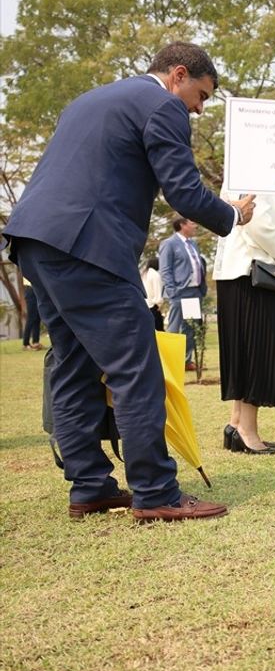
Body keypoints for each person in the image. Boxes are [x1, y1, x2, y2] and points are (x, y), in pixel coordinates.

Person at [3, 41, 255, 521]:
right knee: (137, 368)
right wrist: (232, 214)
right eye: (200, 96)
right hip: (88, 247)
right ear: (178, 74)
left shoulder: (91, 99)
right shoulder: (163, 104)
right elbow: (183, 190)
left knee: (74, 367)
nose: (199, 110)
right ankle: (156, 491)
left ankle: (91, 486)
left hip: (35, 240)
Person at [213, 194, 275, 455]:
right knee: (255, 354)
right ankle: (247, 431)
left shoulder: (259, 176)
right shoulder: (252, 172)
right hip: (251, 275)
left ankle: (237, 423)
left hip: (245, 275)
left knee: (246, 353)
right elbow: (258, 224)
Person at [158, 216, 207, 370]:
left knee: (190, 328)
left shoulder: (193, 244)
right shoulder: (169, 244)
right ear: (182, 225)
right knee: (174, 328)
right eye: (193, 223)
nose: (196, 226)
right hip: (179, 293)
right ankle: (170, 363)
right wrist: (172, 291)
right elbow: (165, 270)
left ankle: (186, 361)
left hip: (194, 292)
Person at [141, 257, 165, 331]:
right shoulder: (155, 274)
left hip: (143, 305)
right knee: (159, 331)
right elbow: (157, 291)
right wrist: (160, 304)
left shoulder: (144, 274)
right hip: (153, 306)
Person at [20, 276, 43, 350]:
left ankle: (36, 342)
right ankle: (25, 343)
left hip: (36, 288)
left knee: (37, 317)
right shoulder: (27, 265)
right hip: (30, 289)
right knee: (31, 317)